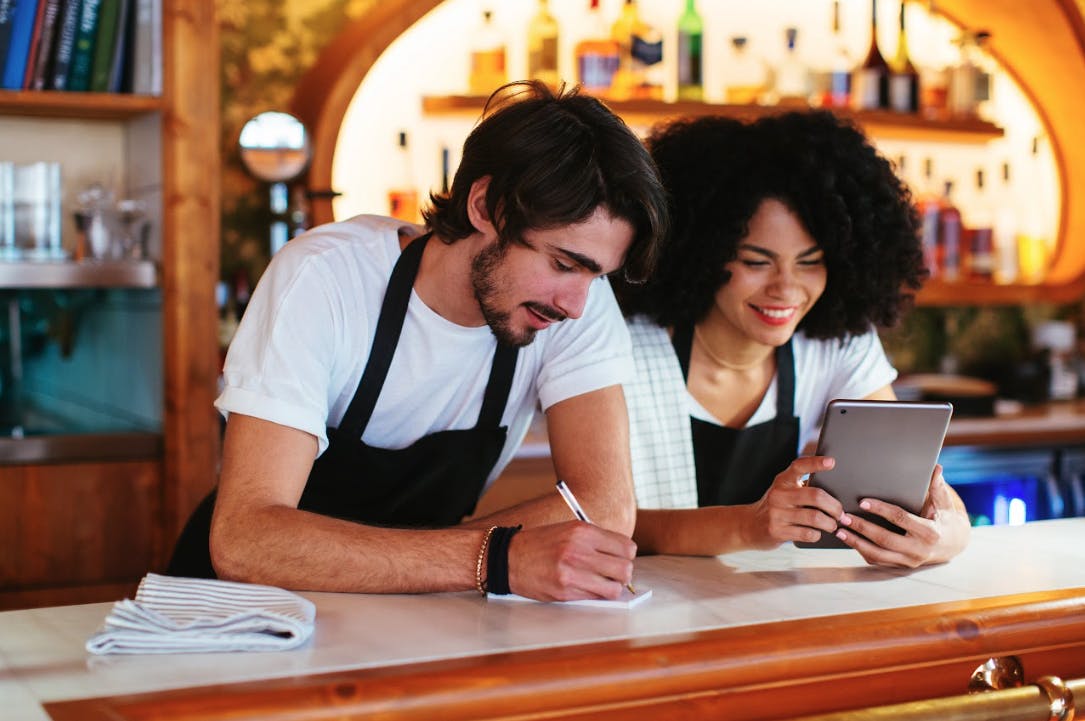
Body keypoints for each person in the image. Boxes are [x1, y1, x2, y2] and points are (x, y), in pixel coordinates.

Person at [167, 80, 669, 601]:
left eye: (596, 275)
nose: (576, 306)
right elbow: (247, 541)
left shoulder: (573, 305)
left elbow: (604, 508)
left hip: (409, 611)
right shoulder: (325, 278)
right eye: (563, 264)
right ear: (485, 205)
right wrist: (493, 558)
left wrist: (426, 564)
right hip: (236, 617)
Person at [617, 111, 970, 568]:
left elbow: (916, 493)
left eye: (809, 262)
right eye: (756, 262)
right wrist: (751, 525)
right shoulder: (625, 348)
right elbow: (612, 521)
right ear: (699, 254)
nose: (786, 289)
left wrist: (947, 535)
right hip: (648, 611)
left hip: (782, 610)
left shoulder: (837, 344)